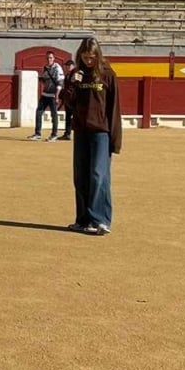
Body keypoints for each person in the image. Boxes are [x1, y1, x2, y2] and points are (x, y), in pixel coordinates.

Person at [60, 37, 122, 236]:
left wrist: (115, 139)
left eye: (92, 57)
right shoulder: (76, 75)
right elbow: (68, 102)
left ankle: (100, 220)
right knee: (81, 176)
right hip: (81, 131)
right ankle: (83, 219)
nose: (89, 61)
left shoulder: (107, 75)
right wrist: (72, 84)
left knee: (98, 175)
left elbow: (114, 109)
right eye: (85, 57)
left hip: (101, 132)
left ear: (98, 55)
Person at [29, 50, 65, 141]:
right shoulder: (45, 67)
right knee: (38, 112)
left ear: (54, 58)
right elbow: (45, 79)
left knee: (54, 114)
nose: (49, 59)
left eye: (51, 58)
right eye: (48, 58)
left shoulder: (57, 68)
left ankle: (54, 134)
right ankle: (37, 133)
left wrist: (57, 96)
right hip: (45, 94)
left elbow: (60, 82)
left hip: (53, 95)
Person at [59, 59, 76, 141]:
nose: (68, 67)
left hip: (74, 100)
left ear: (73, 66)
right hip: (68, 99)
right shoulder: (68, 75)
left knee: (76, 117)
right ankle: (67, 134)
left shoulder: (76, 74)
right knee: (68, 117)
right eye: (67, 66)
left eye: (69, 65)